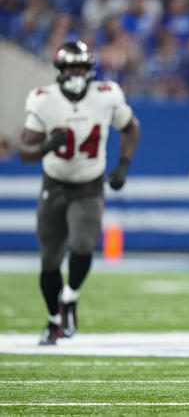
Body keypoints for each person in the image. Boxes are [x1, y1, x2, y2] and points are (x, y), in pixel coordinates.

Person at [18, 41, 140, 345]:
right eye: (71, 67)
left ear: (89, 70)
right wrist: (47, 145)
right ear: (59, 70)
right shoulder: (44, 100)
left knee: (84, 245)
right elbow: (25, 151)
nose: (76, 73)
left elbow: (131, 127)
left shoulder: (106, 96)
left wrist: (123, 166)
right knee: (49, 259)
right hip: (54, 184)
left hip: (88, 185)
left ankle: (70, 296)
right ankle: (53, 319)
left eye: (81, 67)